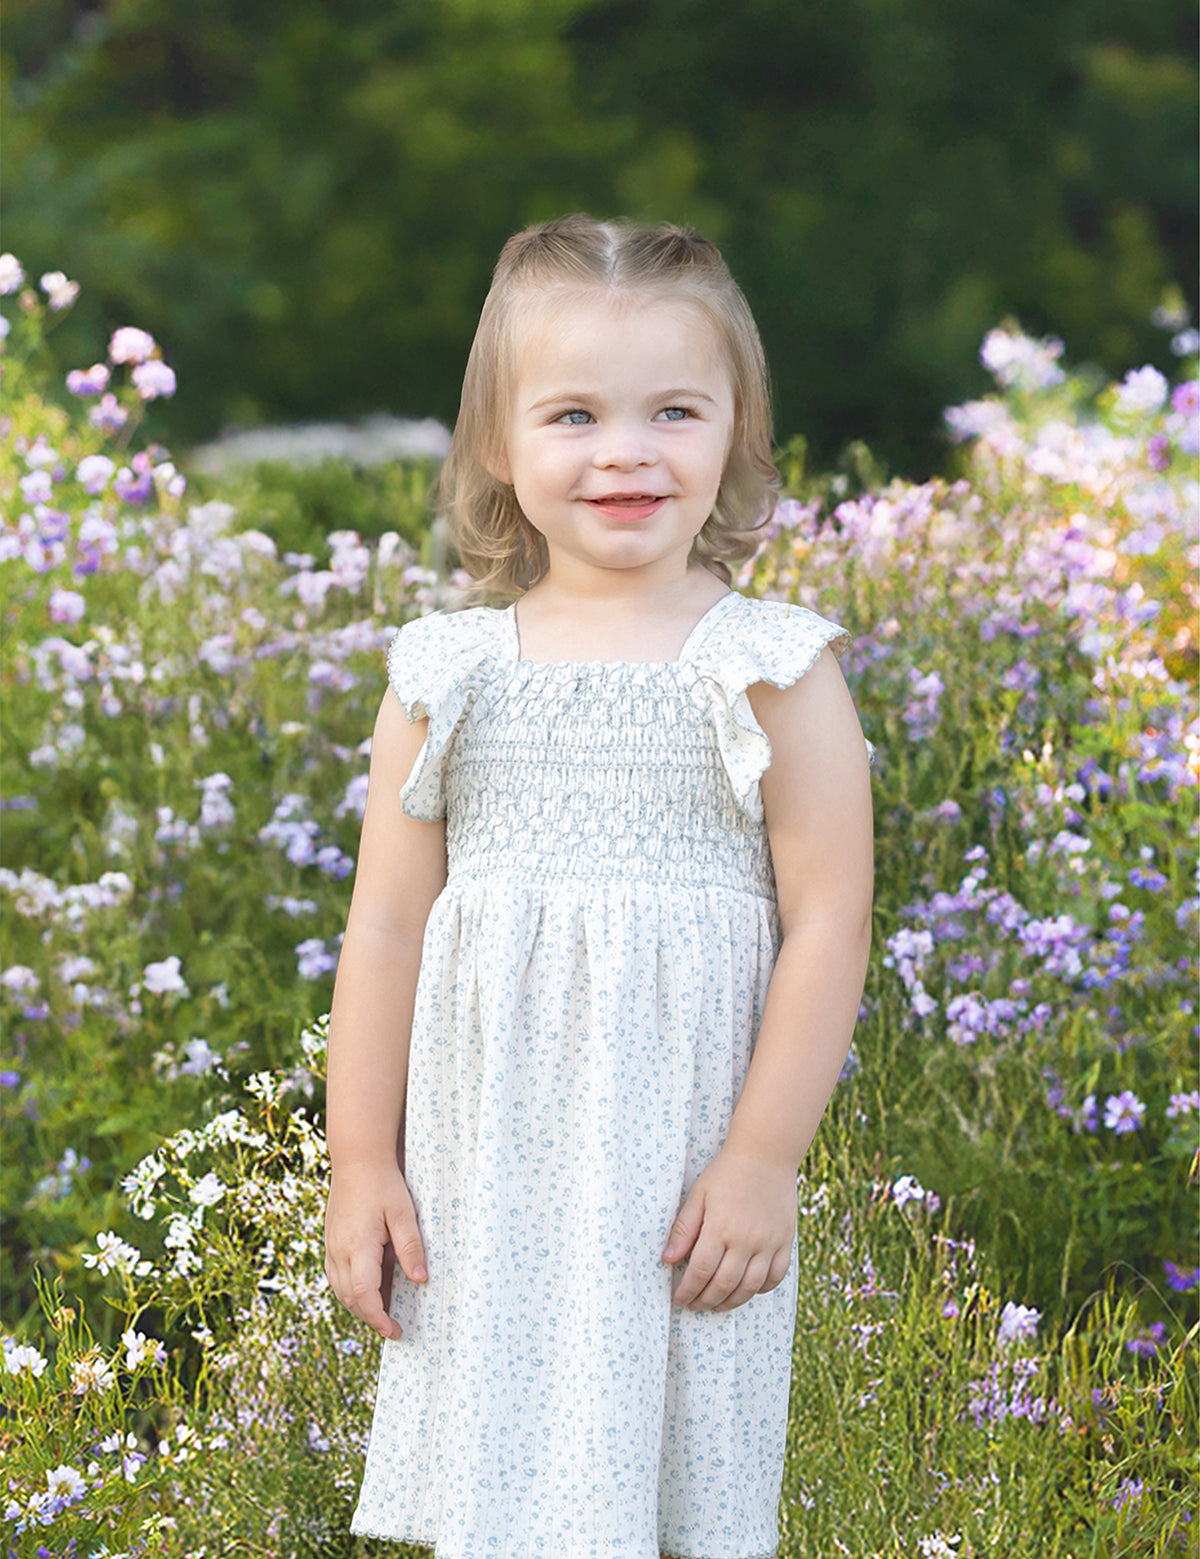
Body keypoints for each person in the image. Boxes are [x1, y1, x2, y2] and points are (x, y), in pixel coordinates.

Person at [323, 214, 874, 1559]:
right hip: (491, 1171)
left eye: (673, 411)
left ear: (735, 435)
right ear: (501, 449)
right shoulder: (448, 671)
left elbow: (829, 925)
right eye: (573, 414)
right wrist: (359, 1164)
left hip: (684, 1178)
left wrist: (761, 1164)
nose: (626, 451)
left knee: (676, 1487)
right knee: (505, 1498)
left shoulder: (772, 667)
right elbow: (387, 927)